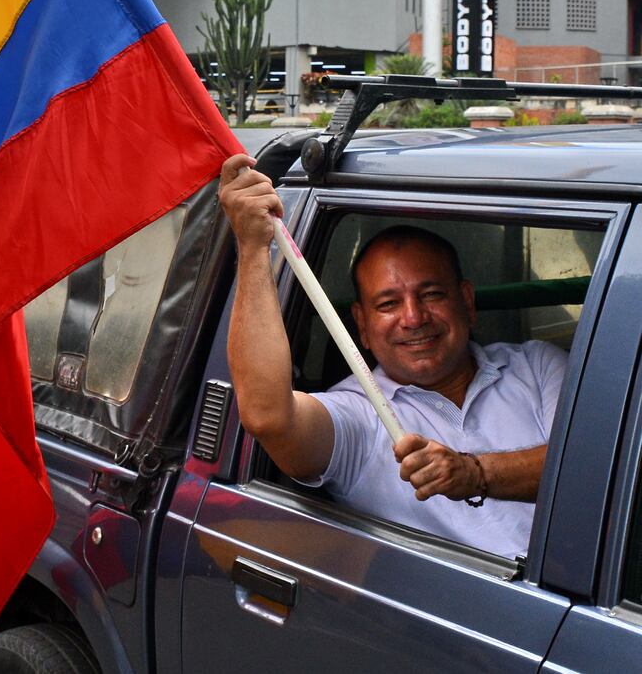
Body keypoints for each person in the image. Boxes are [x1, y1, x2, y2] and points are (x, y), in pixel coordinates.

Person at [218, 154, 566, 558]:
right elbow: (267, 416)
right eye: (388, 304)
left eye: (431, 295)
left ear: (467, 302)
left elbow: (592, 466)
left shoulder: (537, 365)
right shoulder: (359, 415)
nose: (414, 318)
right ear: (361, 325)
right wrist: (252, 247)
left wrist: (475, 473)